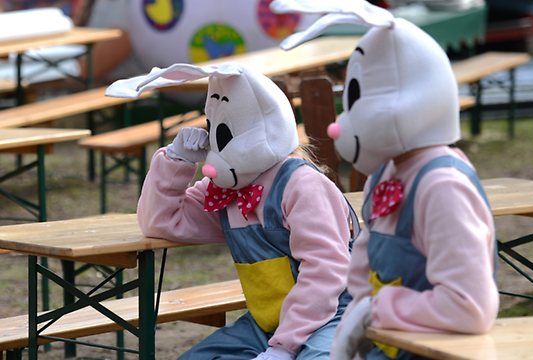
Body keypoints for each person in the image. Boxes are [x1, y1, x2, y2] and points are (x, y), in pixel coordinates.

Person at [271, 1, 499, 359]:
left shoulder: (442, 186)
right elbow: (363, 266)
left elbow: (469, 308)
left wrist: (375, 311)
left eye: (358, 98)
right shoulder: (386, 173)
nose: (337, 125)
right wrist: (360, 318)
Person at [105, 61, 357, 359]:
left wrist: (284, 346)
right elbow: (159, 223)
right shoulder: (226, 192)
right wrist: (176, 159)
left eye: (223, 134)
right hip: (267, 322)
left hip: (332, 315)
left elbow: (326, 272)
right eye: (212, 130)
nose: (215, 144)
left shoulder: (302, 186)